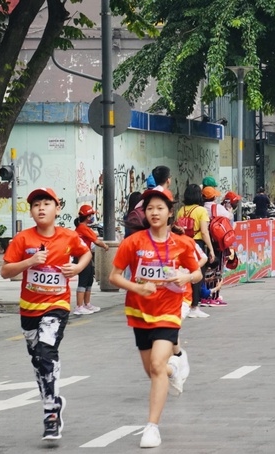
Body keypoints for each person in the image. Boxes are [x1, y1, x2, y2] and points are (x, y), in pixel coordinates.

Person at [109, 186, 202, 448]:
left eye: (160, 208)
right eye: (149, 208)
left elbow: (197, 273)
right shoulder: (133, 242)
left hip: (169, 311)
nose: (154, 212)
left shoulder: (182, 243)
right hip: (139, 312)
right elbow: (114, 276)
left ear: (170, 213)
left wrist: (185, 277)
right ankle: (177, 368)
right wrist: (137, 287)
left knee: (157, 365)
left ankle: (152, 427)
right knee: (153, 369)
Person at [0, 187, 92, 441]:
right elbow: (5, 271)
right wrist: (29, 262)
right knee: (39, 361)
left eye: (46, 203)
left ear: (57, 209)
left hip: (56, 306)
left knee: (45, 352)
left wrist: (77, 267)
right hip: (29, 310)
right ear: (30, 212)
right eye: (36, 205)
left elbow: (85, 252)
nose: (41, 208)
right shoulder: (23, 239)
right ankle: (54, 401)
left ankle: (51, 414)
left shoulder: (68, 236)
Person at [177, 183, 215, 318]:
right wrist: (211, 249)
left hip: (183, 245)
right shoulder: (201, 210)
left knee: (186, 274)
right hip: (197, 244)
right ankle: (194, 306)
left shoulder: (181, 210)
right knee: (197, 275)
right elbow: (204, 232)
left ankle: (186, 304)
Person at [72, 204, 109, 315]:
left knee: (89, 280)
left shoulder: (83, 228)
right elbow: (96, 241)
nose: (92, 217)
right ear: (88, 217)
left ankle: (87, 304)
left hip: (86, 256)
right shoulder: (83, 228)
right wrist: (105, 246)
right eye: (92, 215)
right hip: (82, 257)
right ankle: (79, 306)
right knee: (83, 281)